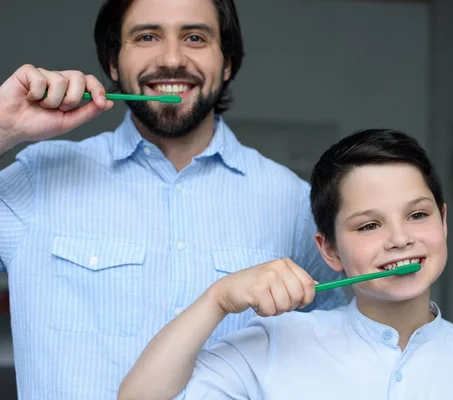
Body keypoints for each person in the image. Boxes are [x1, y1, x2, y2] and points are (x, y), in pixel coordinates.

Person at [0, 0, 345, 398]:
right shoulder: (36, 179)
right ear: (113, 62)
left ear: (228, 62)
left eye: (195, 37)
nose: (171, 58)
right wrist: (4, 127)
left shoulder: (295, 204)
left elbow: (340, 354)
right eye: (147, 36)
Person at [118, 128, 453, 400]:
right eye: (369, 224)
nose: (400, 238)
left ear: (443, 219)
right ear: (329, 250)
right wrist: (217, 300)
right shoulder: (275, 342)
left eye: (418, 215)